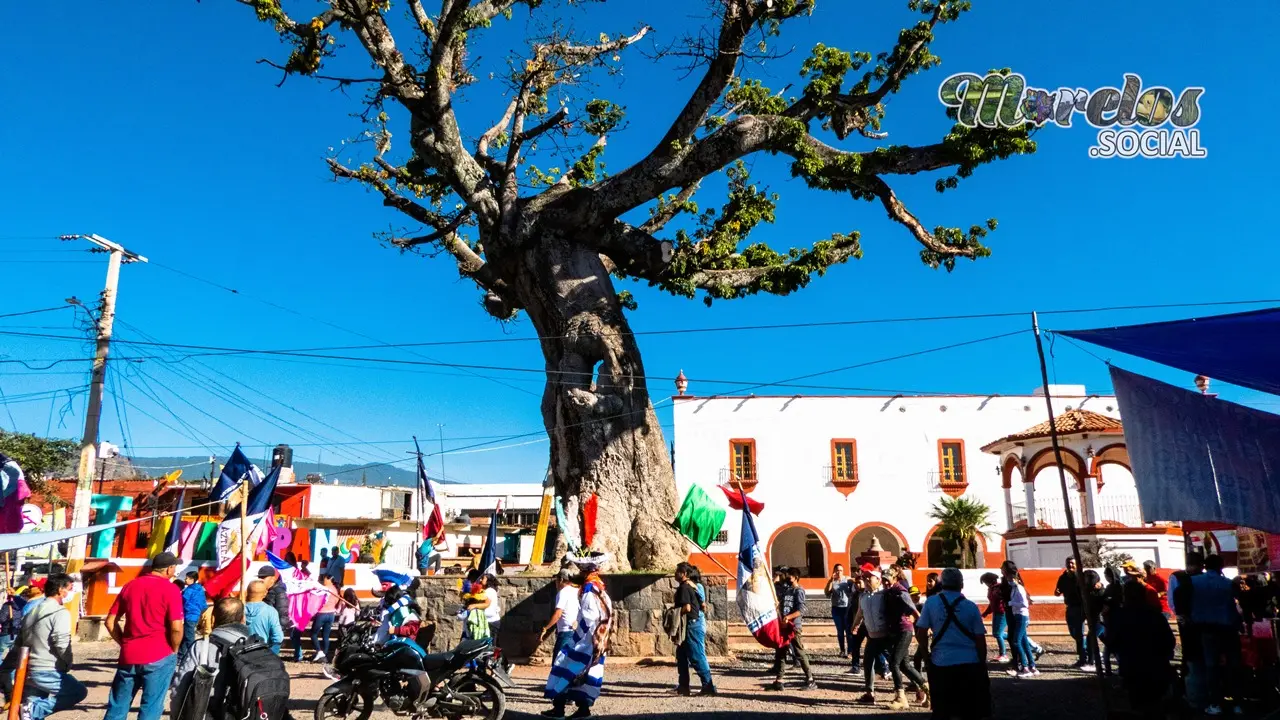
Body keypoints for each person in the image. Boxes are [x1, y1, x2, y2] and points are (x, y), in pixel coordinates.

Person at [104, 552, 184, 720]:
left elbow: (110, 622)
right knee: (151, 706)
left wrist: (124, 643)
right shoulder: (171, 589)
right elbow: (176, 628)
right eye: (174, 567)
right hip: (159, 653)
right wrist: (174, 649)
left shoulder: (130, 585)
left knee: (117, 706)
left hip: (129, 654)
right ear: (169, 569)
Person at [5, 574, 85, 720]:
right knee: (78, 692)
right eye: (70, 588)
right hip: (47, 669)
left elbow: (19, 644)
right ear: (61, 590)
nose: (71, 593)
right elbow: (61, 643)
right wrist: (68, 662)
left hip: (29, 670)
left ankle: (32, 711)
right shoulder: (59, 613)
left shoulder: (31, 611)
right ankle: (35, 711)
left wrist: (8, 668)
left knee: (29, 714)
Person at [543, 554, 613, 719]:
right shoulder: (599, 588)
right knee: (587, 672)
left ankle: (559, 709)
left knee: (564, 666)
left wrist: (578, 638)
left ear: (584, 572)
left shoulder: (589, 589)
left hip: (587, 640)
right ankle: (583, 709)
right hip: (598, 641)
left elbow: (590, 618)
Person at [916, 568, 989, 720]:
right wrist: (982, 662)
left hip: (941, 661)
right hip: (969, 662)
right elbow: (980, 639)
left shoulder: (931, 603)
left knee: (942, 710)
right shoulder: (971, 606)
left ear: (942, 584)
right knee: (969, 710)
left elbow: (921, 632)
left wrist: (926, 655)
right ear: (961, 585)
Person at [1107, 581, 1176, 718]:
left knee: (1138, 706)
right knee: (1156, 706)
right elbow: (1169, 641)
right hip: (1156, 667)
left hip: (1132, 669)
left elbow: (1112, 643)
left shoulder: (1119, 616)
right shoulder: (1156, 615)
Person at [1190, 554, 1242, 716]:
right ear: (1221, 566)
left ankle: (1215, 703)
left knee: (1211, 667)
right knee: (1233, 666)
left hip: (1206, 629)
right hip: (1228, 628)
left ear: (1205, 566)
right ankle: (1237, 703)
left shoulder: (1194, 582)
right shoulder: (1228, 584)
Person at [880, 565, 929, 709]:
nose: (886, 583)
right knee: (905, 665)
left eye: (888, 580)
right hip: (894, 631)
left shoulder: (901, 593)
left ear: (895, 579)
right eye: (884, 580)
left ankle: (900, 697)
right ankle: (928, 689)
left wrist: (923, 631)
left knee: (894, 663)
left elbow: (915, 612)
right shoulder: (887, 593)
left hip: (904, 630)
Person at [768, 566, 815, 691]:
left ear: (795, 578)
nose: (787, 578)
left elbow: (802, 609)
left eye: (789, 576)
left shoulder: (799, 591)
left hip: (794, 626)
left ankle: (810, 679)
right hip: (784, 626)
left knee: (799, 652)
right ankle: (779, 680)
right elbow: (782, 604)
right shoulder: (787, 590)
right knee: (781, 652)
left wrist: (789, 617)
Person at [673, 562, 715, 696]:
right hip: (689, 625)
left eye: (678, 571)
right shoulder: (688, 586)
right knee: (682, 656)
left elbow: (687, 608)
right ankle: (683, 687)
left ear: (684, 574)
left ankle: (708, 686)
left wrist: (674, 614)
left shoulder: (685, 588)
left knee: (696, 655)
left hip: (692, 624)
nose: (675, 573)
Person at [853, 569, 890, 703]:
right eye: (866, 577)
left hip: (886, 636)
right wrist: (855, 625)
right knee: (868, 663)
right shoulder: (862, 596)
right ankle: (870, 693)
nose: (867, 580)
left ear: (879, 580)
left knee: (898, 664)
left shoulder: (884, 595)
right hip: (872, 636)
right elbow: (859, 613)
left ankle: (918, 686)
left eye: (871, 577)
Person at [1002, 561, 1038, 678]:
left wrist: (1010, 603)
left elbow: (1024, 603)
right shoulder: (1014, 587)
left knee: (1016, 641)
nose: (1008, 580)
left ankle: (1025, 667)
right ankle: (1032, 666)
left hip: (1020, 616)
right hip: (1017, 614)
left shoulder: (1018, 587)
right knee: (1023, 641)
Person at [540, 568, 580, 661]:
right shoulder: (575, 591)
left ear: (561, 580)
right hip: (575, 630)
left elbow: (558, 614)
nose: (556, 583)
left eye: (556, 580)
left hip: (566, 632)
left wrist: (546, 628)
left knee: (557, 662)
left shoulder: (562, 592)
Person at [1055, 557, 1088, 668]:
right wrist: (1057, 592)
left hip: (1080, 607)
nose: (1070, 565)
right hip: (1070, 607)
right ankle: (1087, 650)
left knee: (1079, 633)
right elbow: (1057, 590)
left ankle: (1083, 657)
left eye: (1072, 563)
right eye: (1068, 563)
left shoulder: (1081, 576)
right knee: (1073, 632)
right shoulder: (1063, 577)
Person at [244, 580, 284, 655]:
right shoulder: (270, 611)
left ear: (247, 592)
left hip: (242, 653)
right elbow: (278, 638)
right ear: (265, 593)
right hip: (263, 652)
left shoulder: (239, 609)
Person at [824, 564, 856, 658]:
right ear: (834, 571)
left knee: (848, 630)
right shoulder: (832, 582)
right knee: (840, 631)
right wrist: (830, 581)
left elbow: (856, 585)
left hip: (846, 608)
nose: (839, 572)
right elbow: (827, 593)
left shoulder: (847, 580)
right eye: (837, 570)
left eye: (841, 570)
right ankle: (842, 650)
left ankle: (850, 651)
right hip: (836, 608)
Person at [978, 573, 1008, 663]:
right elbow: (992, 603)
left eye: (985, 582)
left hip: (1002, 613)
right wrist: (986, 613)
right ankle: (1018, 638)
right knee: (996, 634)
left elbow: (1000, 601)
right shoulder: (991, 589)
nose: (985, 584)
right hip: (996, 613)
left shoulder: (999, 588)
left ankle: (1003, 654)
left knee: (998, 634)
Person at [311, 575, 340, 662]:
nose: (323, 580)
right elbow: (336, 601)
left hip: (322, 613)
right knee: (326, 636)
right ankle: (325, 654)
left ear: (328, 579)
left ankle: (319, 651)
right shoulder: (335, 589)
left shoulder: (323, 589)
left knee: (313, 634)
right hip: (331, 614)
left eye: (324, 579)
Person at [180, 572, 207, 660]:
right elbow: (203, 604)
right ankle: (181, 654)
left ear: (192, 580)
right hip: (196, 615)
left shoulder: (189, 590)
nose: (185, 580)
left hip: (189, 615)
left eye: (187, 578)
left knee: (189, 637)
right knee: (187, 635)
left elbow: (182, 601)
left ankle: (191, 655)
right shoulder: (200, 589)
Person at [0, 590, 21, 660]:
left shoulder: (7, 605)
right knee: (13, 659)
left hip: (7, 633)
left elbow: (1, 619)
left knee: (1, 654)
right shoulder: (24, 606)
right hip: (19, 635)